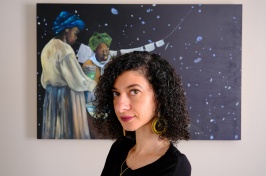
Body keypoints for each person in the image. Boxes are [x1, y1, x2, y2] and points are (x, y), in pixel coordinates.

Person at [93, 51, 191, 175]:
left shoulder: (173, 164)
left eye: (134, 91)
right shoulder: (119, 148)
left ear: (160, 96)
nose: (120, 107)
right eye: (116, 93)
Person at [40, 11, 96, 139]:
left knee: (55, 132)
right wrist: (94, 85)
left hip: (51, 97)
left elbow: (44, 79)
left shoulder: (48, 47)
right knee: (71, 132)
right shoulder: (65, 49)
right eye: (75, 33)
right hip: (68, 97)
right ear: (66, 30)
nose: (76, 38)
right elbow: (77, 80)